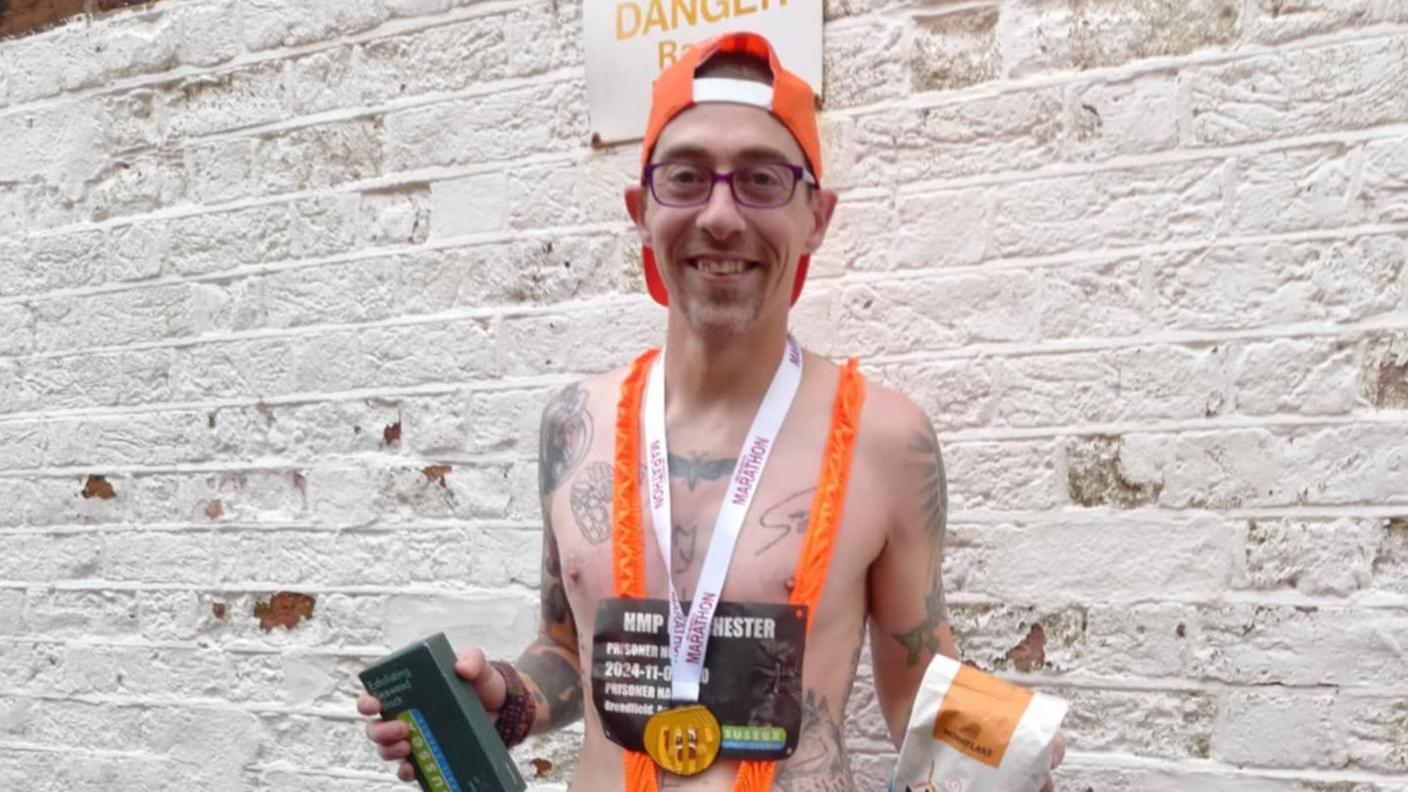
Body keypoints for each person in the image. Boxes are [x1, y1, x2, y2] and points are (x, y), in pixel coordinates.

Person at [359, 32, 1062, 791]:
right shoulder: (573, 425)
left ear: (816, 217)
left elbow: (918, 673)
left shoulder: (887, 440)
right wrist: (506, 698)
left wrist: (1004, 750)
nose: (720, 216)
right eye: (686, 177)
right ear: (641, 209)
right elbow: (566, 648)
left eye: (761, 179)